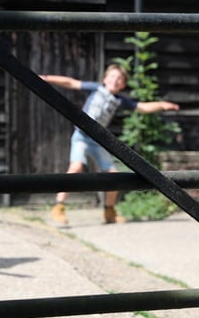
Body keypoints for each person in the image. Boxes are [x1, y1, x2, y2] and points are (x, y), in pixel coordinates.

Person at [41, 64, 180, 225]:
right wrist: (47, 78)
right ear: (105, 79)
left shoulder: (119, 100)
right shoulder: (96, 88)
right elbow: (72, 83)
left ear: (123, 85)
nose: (116, 80)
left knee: (113, 175)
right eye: (113, 76)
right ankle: (59, 207)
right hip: (81, 136)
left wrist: (162, 105)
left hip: (98, 141)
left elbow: (142, 107)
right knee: (76, 168)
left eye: (120, 79)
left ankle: (109, 211)